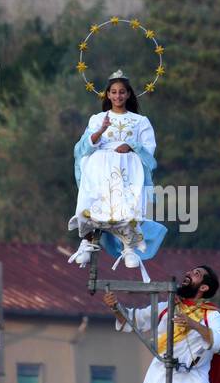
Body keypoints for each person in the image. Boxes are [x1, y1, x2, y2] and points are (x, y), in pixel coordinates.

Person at [67, 69, 166, 273]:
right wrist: (101, 131)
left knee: (127, 206)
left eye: (122, 92)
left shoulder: (140, 121)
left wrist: (131, 146)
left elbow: (149, 148)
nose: (118, 96)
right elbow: (83, 147)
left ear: (128, 94)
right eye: (113, 92)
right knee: (93, 203)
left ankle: (129, 248)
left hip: (128, 168)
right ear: (108, 94)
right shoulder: (97, 118)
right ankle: (87, 241)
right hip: (101, 168)